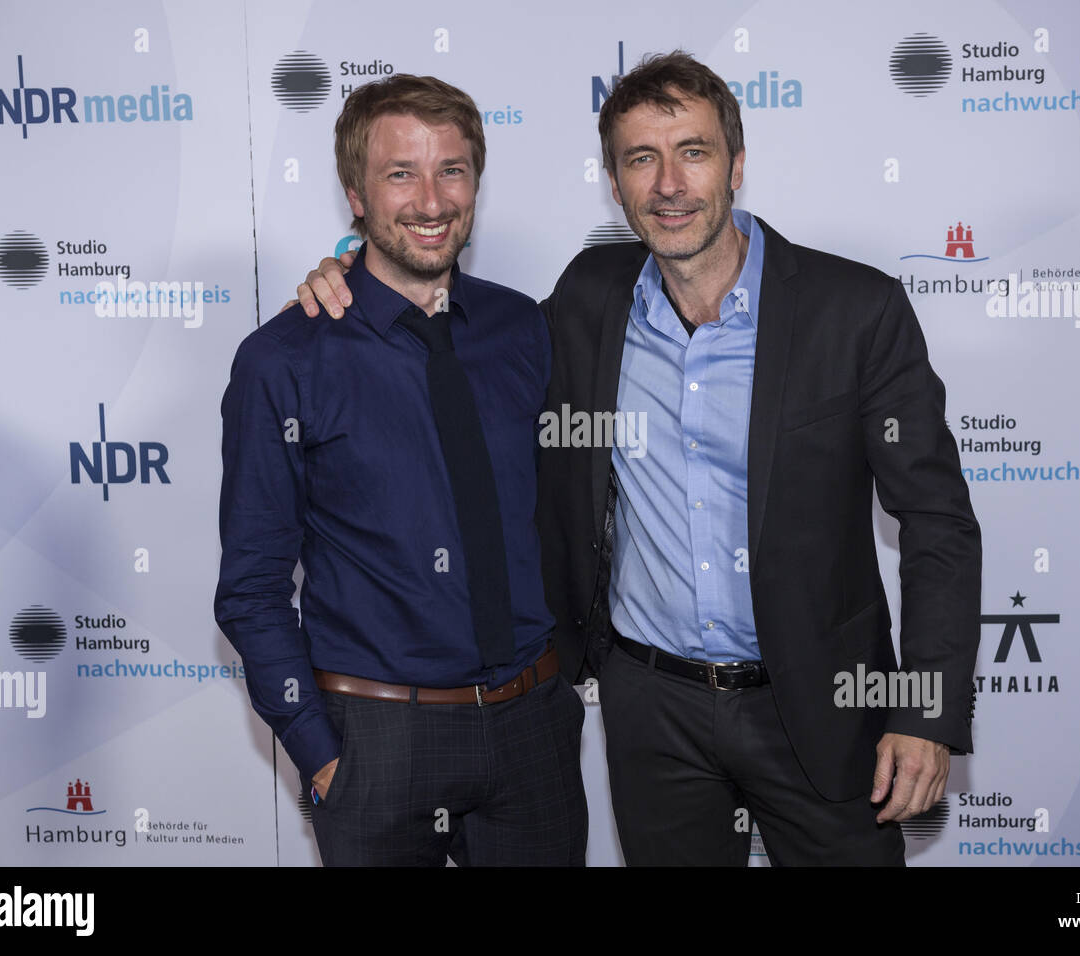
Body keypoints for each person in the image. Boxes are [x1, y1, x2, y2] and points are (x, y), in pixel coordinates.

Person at [294, 53, 981, 866]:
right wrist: (346, 275)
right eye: (640, 160)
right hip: (652, 713)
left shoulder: (854, 310)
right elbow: (436, 316)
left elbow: (936, 522)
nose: (669, 185)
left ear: (736, 164)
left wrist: (925, 710)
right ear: (614, 185)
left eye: (692, 151)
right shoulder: (591, 296)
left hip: (824, 705)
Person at [214, 74, 587, 867]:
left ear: (476, 181)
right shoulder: (285, 358)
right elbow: (250, 589)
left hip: (534, 730)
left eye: (451, 170)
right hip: (376, 739)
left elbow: (569, 510)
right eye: (399, 174)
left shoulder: (521, 326)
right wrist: (322, 754)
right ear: (355, 191)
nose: (430, 200)